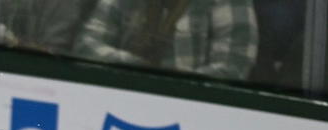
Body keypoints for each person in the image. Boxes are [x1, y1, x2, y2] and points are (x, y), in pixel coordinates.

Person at [75, 0, 259, 80]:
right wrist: (133, 67)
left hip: (196, 116)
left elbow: (234, 67)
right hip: (125, 97)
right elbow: (86, 44)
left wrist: (171, 83)